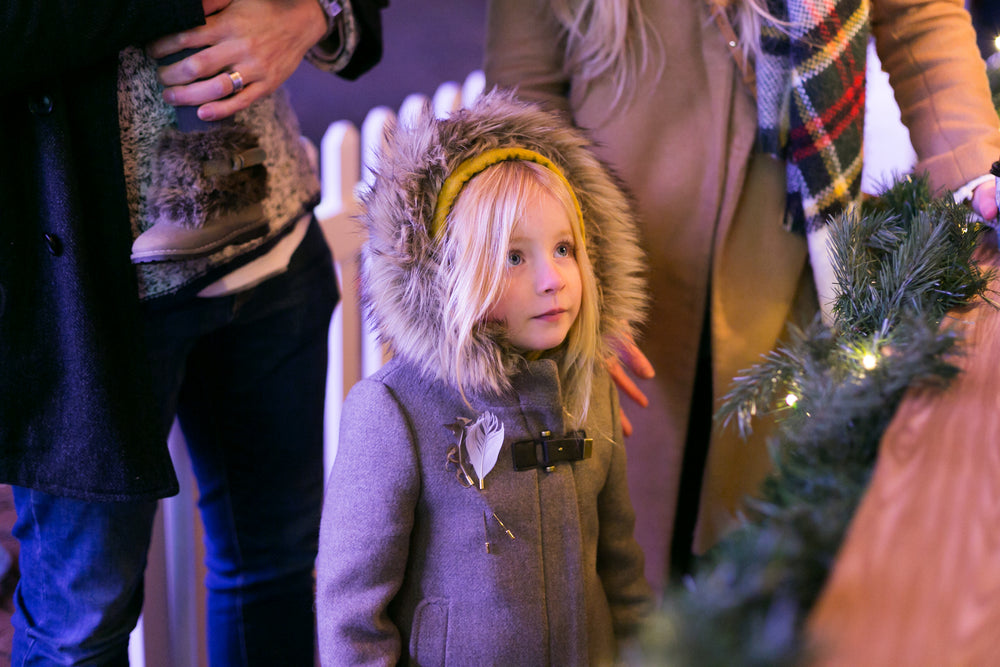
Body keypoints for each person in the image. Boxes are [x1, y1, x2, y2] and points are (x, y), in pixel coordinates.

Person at [484, 0, 1000, 589]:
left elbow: (919, 17)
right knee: (625, 583)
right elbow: (526, 102)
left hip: (793, 291)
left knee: (765, 584)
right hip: (612, 304)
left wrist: (974, 171)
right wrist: (577, 281)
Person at [0, 0, 385, 663]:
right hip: (85, 297)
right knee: (81, 628)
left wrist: (314, 14)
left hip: (276, 246)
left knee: (278, 567)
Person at [315, 91, 651, 665]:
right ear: (453, 275)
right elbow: (352, 611)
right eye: (514, 257)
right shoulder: (396, 409)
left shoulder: (587, 389)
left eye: (564, 248)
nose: (553, 279)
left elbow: (620, 567)